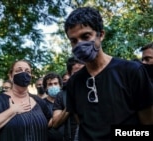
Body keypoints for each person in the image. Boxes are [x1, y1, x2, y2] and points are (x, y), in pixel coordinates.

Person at [64, 7, 153, 140]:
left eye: (85, 36)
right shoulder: (73, 82)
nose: (79, 44)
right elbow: (81, 123)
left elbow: (147, 126)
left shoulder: (132, 71)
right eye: (74, 41)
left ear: (101, 34)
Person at [0, 60, 51, 141]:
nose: (24, 74)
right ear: (11, 76)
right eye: (19, 70)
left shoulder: (38, 101)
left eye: (27, 71)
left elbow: (50, 123)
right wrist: (12, 111)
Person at [52, 57, 84, 141]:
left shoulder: (97, 90)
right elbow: (55, 124)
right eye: (77, 72)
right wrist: (70, 104)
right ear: (70, 75)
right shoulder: (62, 95)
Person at [42, 72, 64, 141]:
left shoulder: (66, 101)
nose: (53, 86)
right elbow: (44, 125)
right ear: (45, 88)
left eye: (55, 83)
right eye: (50, 84)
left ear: (60, 86)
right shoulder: (41, 104)